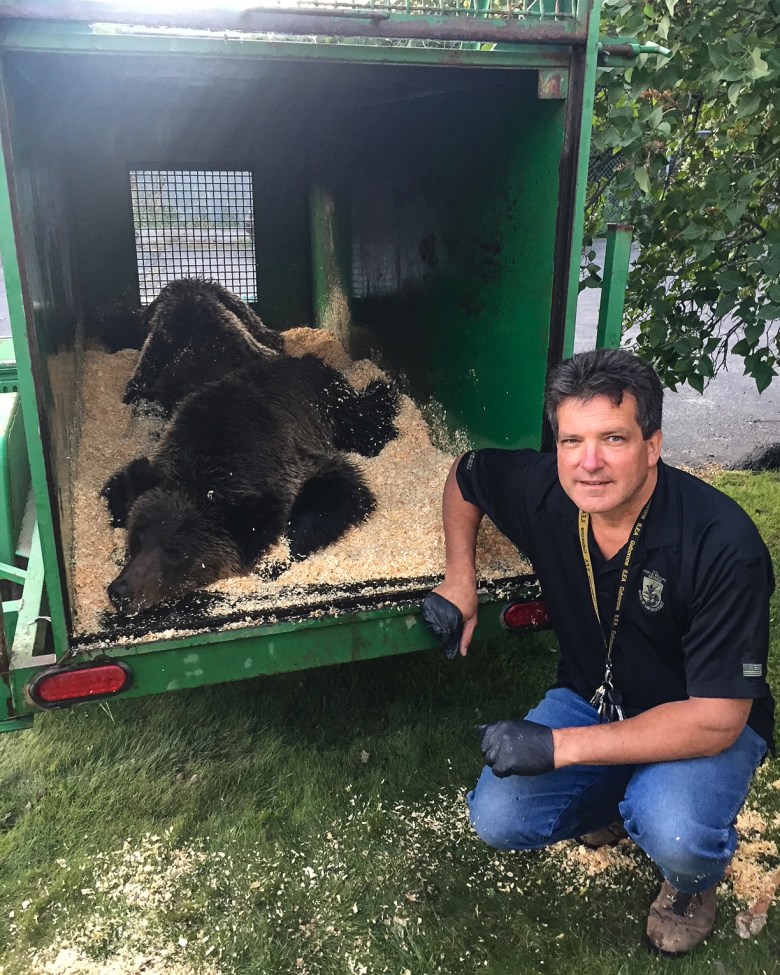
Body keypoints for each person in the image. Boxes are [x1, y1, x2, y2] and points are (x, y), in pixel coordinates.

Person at [423, 348, 775, 956]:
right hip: (594, 694)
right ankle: (610, 798)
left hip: (697, 715)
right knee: (499, 816)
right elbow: (466, 474)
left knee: (676, 828)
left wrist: (558, 747)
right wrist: (461, 576)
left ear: (654, 444)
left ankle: (691, 885)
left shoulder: (723, 544)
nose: (588, 463)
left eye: (614, 438)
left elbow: (719, 720)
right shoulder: (548, 491)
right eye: (570, 441)